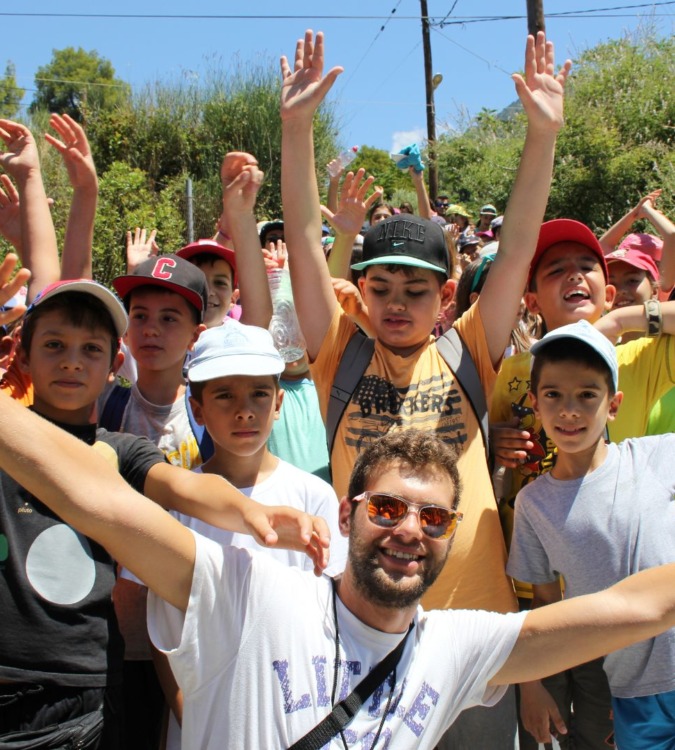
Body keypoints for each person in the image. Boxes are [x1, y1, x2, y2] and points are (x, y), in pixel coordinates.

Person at [5, 384, 675, 748]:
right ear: (347, 515)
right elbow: (97, 501)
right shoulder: (248, 596)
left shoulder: (456, 646)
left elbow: (641, 606)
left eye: (433, 518)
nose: (409, 530)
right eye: (387, 508)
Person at [279, 28, 571, 749]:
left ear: (445, 298)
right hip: (366, 632)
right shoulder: (339, 355)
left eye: (416, 290)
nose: (396, 304)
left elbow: (518, 247)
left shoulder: (469, 350)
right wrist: (296, 128)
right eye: (380, 287)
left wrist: (541, 135)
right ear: (361, 291)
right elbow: (304, 246)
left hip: (475, 638)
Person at [0, 275, 327, 748]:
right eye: (54, 345)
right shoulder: (6, 440)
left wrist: (249, 511)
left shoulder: (121, 451)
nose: (72, 361)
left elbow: (185, 485)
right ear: (22, 355)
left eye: (91, 349)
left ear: (115, 364)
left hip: (85, 687)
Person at [155, 320, 348, 747]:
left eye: (259, 393)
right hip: (205, 714)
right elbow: (164, 633)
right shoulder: (177, 500)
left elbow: (336, 614)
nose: (244, 411)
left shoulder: (314, 495)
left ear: (278, 402)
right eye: (224, 395)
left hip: (300, 713)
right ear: (197, 409)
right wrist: (187, 711)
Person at [507, 320, 675, 750]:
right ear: (534, 402)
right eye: (553, 395)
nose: (569, 410)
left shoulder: (657, 457)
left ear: (613, 404)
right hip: (629, 694)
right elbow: (545, 606)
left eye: (587, 394)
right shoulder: (533, 505)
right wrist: (531, 685)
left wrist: (631, 316)